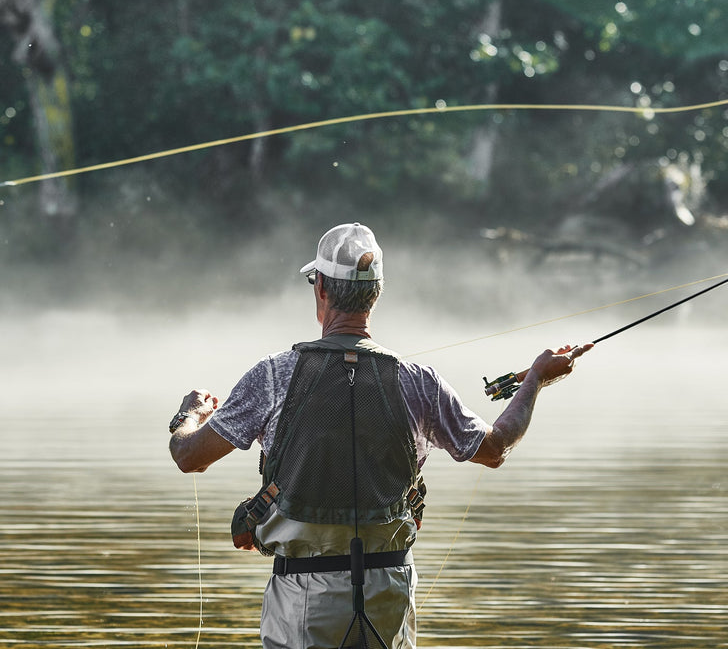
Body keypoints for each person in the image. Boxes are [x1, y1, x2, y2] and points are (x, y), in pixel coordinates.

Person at [168, 222, 592, 649]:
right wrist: (536, 378)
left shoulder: (275, 376)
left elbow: (188, 455)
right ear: (376, 294)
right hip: (389, 594)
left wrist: (190, 413)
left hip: (303, 599)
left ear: (321, 291)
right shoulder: (419, 381)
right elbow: (497, 447)